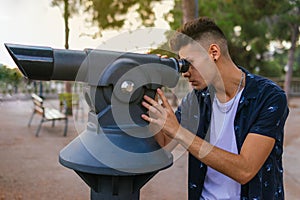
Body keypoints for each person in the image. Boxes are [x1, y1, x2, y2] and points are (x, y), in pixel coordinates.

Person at [141, 16, 289, 200]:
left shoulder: (268, 97)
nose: (185, 72)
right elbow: (163, 142)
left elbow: (245, 170)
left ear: (213, 52)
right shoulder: (196, 100)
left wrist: (179, 131)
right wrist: (150, 87)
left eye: (189, 63)